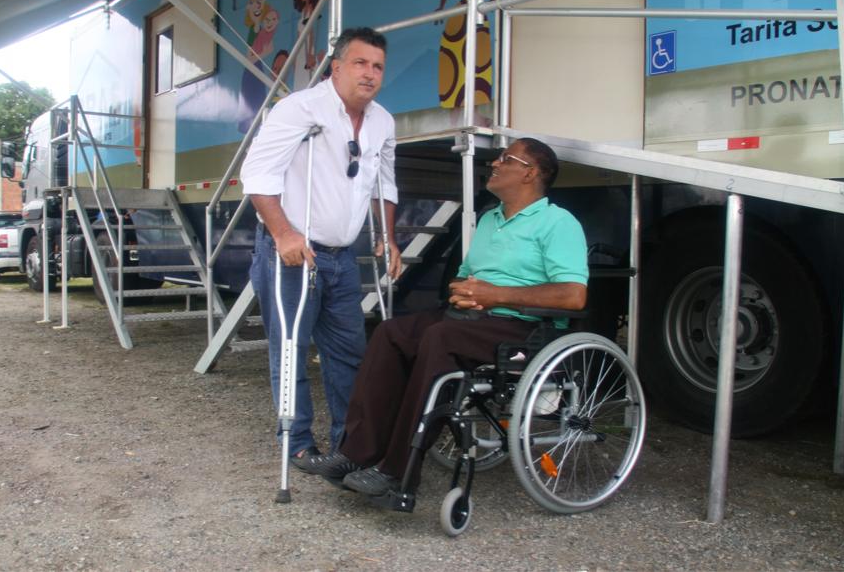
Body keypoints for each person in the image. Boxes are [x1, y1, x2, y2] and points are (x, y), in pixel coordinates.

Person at [306, 137, 588, 497]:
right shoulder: (490, 220)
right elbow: (464, 276)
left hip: (523, 326)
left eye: (506, 159)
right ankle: (355, 453)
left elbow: (573, 296)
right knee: (391, 332)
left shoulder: (558, 222)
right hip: (472, 317)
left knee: (439, 338)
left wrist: (496, 295)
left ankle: (397, 471)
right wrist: (463, 291)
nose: (495, 164)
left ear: (530, 173)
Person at [241, 26, 403, 470]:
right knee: (290, 348)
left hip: (342, 257)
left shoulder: (383, 122)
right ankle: (296, 441)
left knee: (349, 352)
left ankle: (348, 443)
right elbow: (257, 174)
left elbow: (385, 185)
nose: (369, 74)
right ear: (336, 67)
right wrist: (283, 233)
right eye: (360, 63)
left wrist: (387, 237)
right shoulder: (300, 108)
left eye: (378, 67)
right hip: (295, 252)